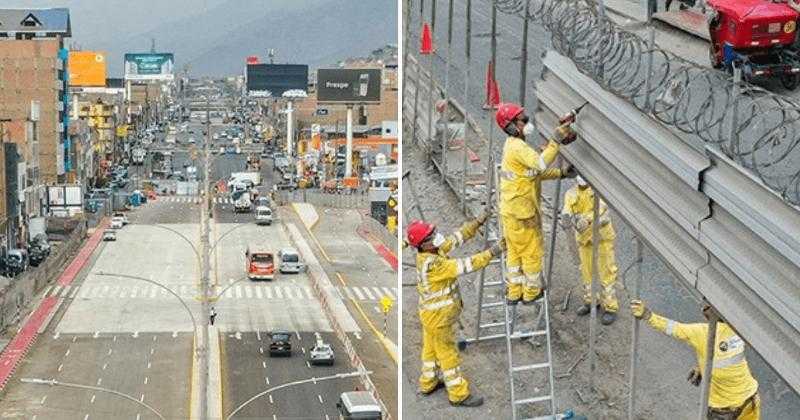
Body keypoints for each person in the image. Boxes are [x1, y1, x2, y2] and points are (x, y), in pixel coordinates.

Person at [407, 213, 504, 407]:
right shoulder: (433, 264)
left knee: (430, 350)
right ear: (423, 244)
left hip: (429, 315)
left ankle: (428, 382)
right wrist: (494, 251)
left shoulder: (432, 251)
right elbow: (466, 265)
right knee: (448, 354)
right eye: (431, 235)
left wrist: (476, 223)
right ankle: (458, 394)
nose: (437, 236)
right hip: (439, 318)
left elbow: (457, 238)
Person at [496, 102, 576, 305]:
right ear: (512, 126)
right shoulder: (518, 147)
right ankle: (531, 292)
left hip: (510, 211)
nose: (526, 122)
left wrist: (561, 173)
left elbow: (531, 175)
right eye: (522, 120)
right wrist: (556, 140)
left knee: (514, 252)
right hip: (523, 212)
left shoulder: (513, 147)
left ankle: (514, 292)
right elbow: (540, 165)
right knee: (531, 252)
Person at [630, 300, 760, 419]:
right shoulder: (738, 331)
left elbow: (673, 328)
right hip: (750, 400)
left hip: (725, 410)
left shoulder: (703, 333)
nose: (703, 309)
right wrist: (702, 367)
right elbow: (723, 358)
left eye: (705, 307)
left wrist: (647, 315)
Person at [561, 176, 619, 324]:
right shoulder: (571, 194)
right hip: (584, 240)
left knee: (606, 272)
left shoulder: (599, 191)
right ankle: (591, 301)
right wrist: (567, 217)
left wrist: (587, 219)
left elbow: (602, 212)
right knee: (587, 273)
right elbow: (567, 209)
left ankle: (610, 307)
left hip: (602, 239)